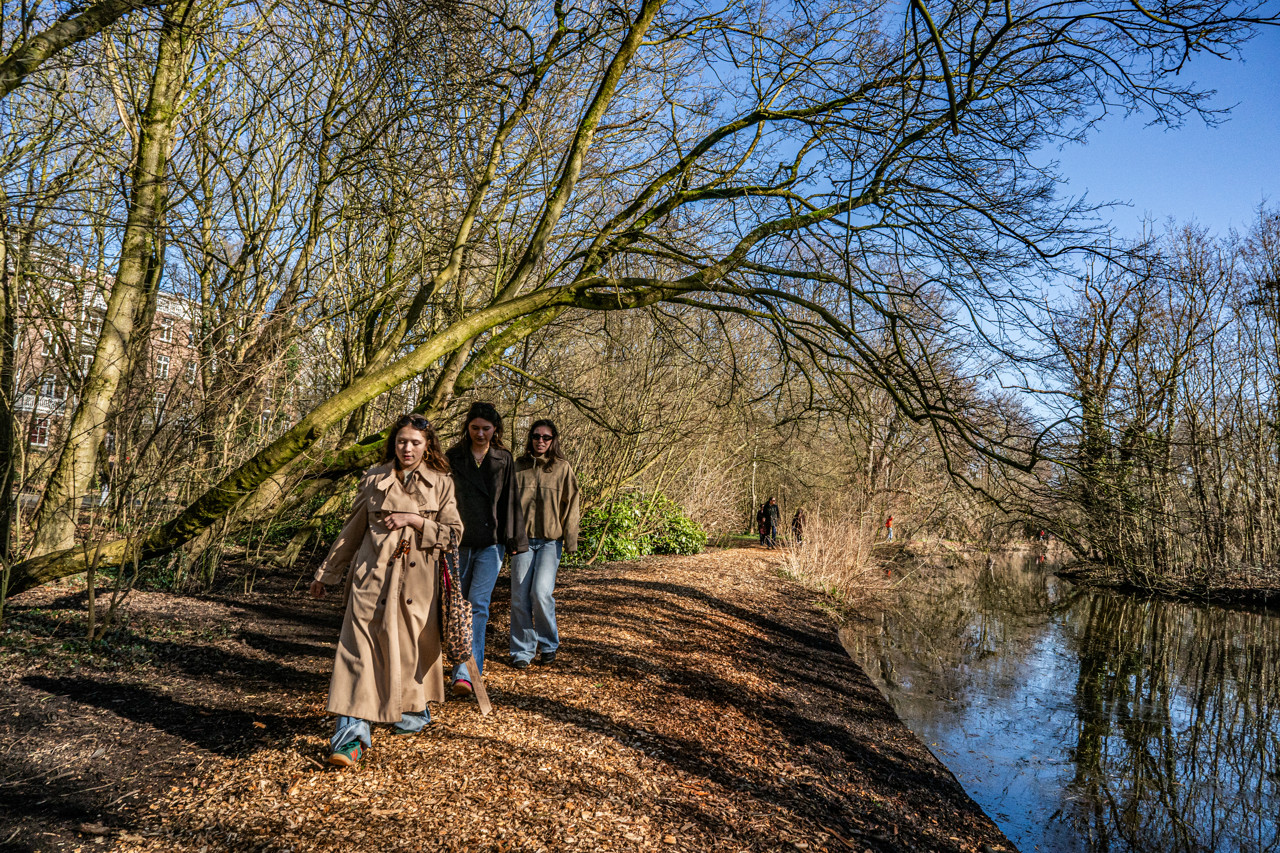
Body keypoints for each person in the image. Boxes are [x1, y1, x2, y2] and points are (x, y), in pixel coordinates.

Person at [309, 413, 462, 767]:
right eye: (402, 441)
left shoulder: (442, 483)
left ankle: (412, 713)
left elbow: (454, 534)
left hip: (416, 583)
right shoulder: (375, 477)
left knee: (408, 652)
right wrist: (327, 573)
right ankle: (350, 739)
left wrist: (415, 520)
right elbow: (353, 529)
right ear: (393, 443)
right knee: (355, 654)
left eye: (415, 443)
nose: (407, 448)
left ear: (428, 447)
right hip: (370, 578)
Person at [444, 402, 527, 696]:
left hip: (491, 545)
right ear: (467, 427)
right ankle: (461, 668)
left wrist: (515, 542)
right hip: (458, 543)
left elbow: (511, 501)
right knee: (458, 606)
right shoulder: (453, 456)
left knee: (478, 606)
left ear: (495, 430)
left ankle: (467, 673)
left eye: (486, 428)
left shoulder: (503, 459)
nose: (480, 433)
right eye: (475, 427)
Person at [509, 419, 581, 668]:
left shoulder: (562, 468)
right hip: (522, 540)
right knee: (519, 598)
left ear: (553, 440)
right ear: (530, 438)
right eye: (536, 436)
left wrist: (571, 540)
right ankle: (522, 651)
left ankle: (549, 643)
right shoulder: (517, 467)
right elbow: (506, 504)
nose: (541, 441)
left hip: (551, 541)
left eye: (546, 437)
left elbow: (571, 505)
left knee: (540, 593)